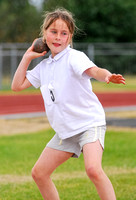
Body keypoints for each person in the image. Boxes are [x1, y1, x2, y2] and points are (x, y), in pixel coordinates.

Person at [11, 8, 125, 200]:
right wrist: (27, 56)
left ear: (70, 37)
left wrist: (107, 76)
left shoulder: (75, 57)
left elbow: (95, 71)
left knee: (93, 170)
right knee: (39, 173)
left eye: (64, 33)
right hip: (66, 131)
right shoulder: (44, 67)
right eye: (53, 32)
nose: (58, 37)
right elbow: (17, 86)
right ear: (44, 34)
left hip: (89, 124)